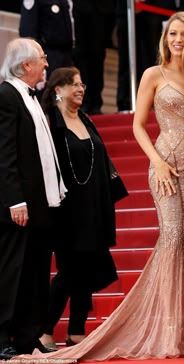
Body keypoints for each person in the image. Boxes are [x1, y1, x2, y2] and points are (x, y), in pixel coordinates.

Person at [15, 12, 184, 362]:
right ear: (165, 37)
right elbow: (139, 125)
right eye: (173, 33)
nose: (178, 40)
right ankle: (166, 332)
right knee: (172, 240)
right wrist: (156, 160)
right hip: (166, 167)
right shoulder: (153, 75)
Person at [36, 67, 127, 350]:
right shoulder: (50, 123)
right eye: (73, 84)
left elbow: (101, 160)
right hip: (66, 210)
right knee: (69, 270)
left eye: (82, 83)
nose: (81, 88)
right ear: (58, 90)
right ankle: (44, 330)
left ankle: (76, 330)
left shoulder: (86, 119)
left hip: (93, 207)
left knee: (85, 270)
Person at [0, 37, 67, 360]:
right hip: (19, 204)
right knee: (12, 271)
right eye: (41, 58)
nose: (46, 63)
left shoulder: (32, 97)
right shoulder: (6, 96)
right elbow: (4, 154)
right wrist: (15, 200)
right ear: (26, 65)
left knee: (36, 272)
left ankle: (27, 335)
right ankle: (2, 337)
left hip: (41, 203)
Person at [116, 0, 184, 112]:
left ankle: (155, 102)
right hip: (128, 11)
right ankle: (125, 103)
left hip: (156, 12)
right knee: (126, 60)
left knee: (154, 58)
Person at [72, 0, 116, 115]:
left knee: (98, 57)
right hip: (79, 9)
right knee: (81, 56)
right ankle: (83, 100)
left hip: (103, 11)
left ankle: (96, 102)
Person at [19, 0, 74, 79]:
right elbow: (28, 33)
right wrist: (37, 62)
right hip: (47, 54)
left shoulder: (65, 1)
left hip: (67, 55)